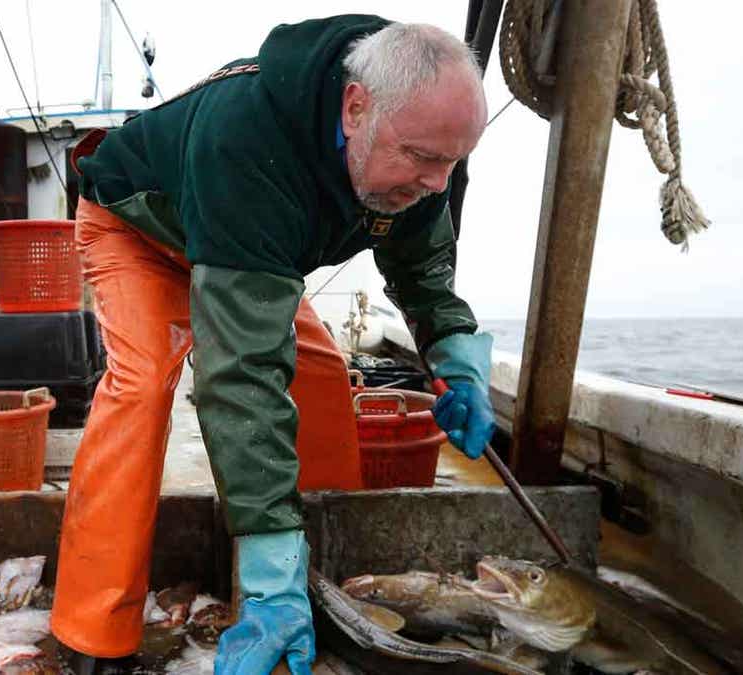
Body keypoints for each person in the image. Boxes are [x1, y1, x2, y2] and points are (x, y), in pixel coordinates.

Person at [51, 14, 496, 674]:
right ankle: (93, 629)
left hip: (249, 252)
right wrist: (264, 577)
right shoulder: (248, 136)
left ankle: (325, 583)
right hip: (138, 231)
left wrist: (460, 362)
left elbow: (424, 273)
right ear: (355, 108)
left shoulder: (422, 149)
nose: (437, 183)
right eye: (424, 160)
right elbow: (240, 376)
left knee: (319, 376)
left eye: (452, 163)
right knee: (143, 383)